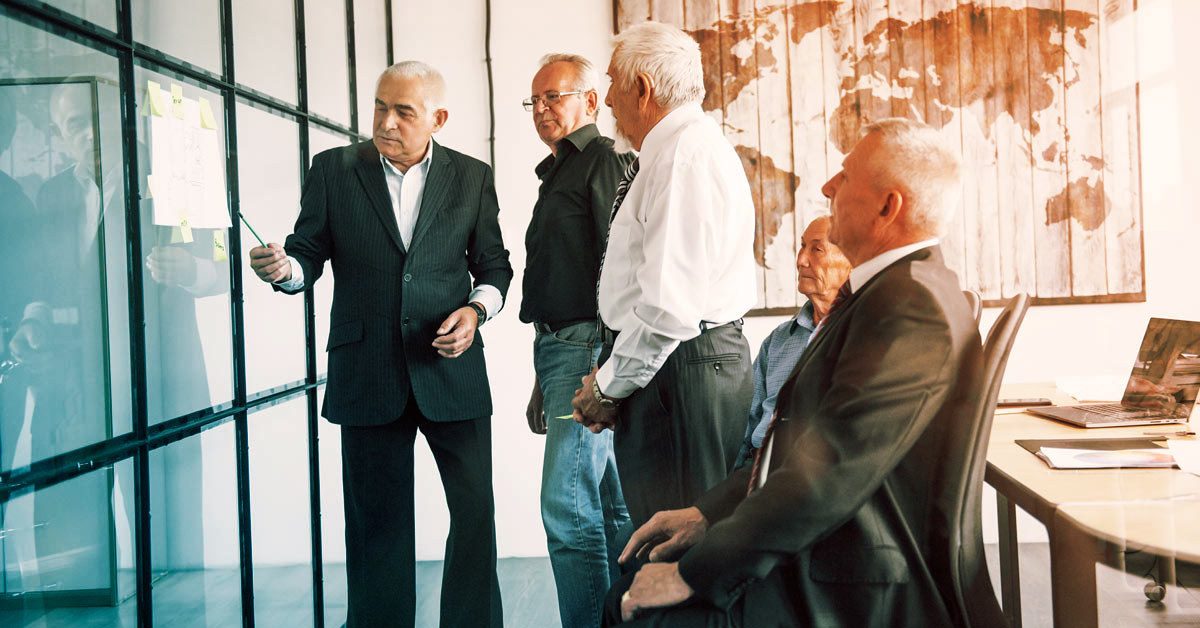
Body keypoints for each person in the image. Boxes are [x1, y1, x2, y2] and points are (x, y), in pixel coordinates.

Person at [604, 118, 983, 627]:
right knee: (628, 585)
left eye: (844, 177)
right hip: (826, 552)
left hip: (844, 580)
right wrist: (705, 514)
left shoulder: (910, 304)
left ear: (889, 207)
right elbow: (793, 450)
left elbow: (829, 472)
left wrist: (694, 575)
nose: (827, 186)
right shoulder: (891, 293)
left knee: (632, 608)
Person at [248, 61, 512, 628]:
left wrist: (475, 310)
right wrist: (283, 269)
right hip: (367, 369)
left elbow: (493, 266)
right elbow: (306, 253)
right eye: (379, 107)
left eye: (403, 112)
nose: (386, 122)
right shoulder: (334, 170)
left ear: (438, 119)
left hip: (451, 369)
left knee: (475, 515)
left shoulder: (472, 176)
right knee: (376, 524)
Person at [570, 21, 757, 531]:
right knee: (667, 546)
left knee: (677, 554)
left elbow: (669, 310)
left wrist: (608, 387)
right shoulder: (676, 151)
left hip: (683, 372)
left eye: (611, 82)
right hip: (675, 369)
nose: (606, 98)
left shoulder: (682, 157)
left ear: (642, 88)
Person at [520, 53, 633, 628]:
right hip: (561, 349)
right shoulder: (558, 170)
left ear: (591, 101)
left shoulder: (605, 161)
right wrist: (545, 377)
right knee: (609, 507)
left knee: (568, 507)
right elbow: (559, 273)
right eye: (534, 100)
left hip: (590, 347)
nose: (542, 109)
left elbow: (620, 268)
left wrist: (605, 372)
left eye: (554, 97)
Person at [731, 216, 851, 470]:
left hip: (811, 477)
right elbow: (747, 423)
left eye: (817, 249)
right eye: (802, 246)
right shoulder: (779, 339)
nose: (801, 260)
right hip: (755, 471)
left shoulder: (860, 336)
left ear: (852, 262)